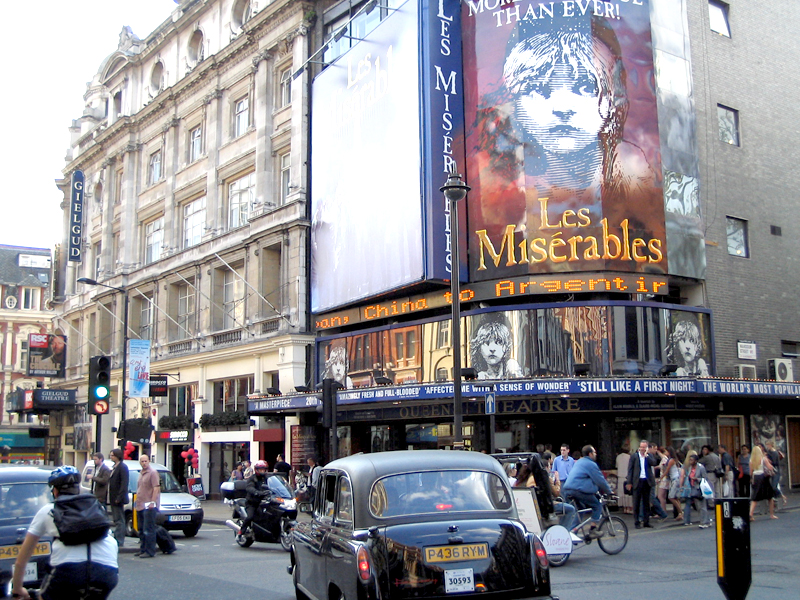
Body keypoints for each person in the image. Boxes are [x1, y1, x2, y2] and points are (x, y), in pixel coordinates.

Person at [11, 466, 118, 599]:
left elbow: (22, 560)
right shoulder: (96, 507)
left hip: (68, 572)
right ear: (78, 489)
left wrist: (17, 590)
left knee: (42, 596)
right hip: (107, 572)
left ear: (55, 491)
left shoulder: (49, 510)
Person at [562, 445, 613, 538]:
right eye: (594, 452)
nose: (595, 454)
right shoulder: (591, 464)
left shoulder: (579, 462)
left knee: (580, 510)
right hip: (577, 490)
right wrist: (609, 492)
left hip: (568, 489)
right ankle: (593, 530)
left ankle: (571, 533)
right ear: (590, 454)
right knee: (597, 505)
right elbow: (600, 480)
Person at [625, 440, 657, 529]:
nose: (642, 449)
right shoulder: (634, 456)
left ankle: (646, 522)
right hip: (637, 482)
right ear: (639, 447)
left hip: (647, 481)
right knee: (636, 503)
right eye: (641, 447)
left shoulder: (649, 456)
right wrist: (629, 482)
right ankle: (637, 522)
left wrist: (647, 456)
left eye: (644, 447)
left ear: (647, 448)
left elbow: (653, 463)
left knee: (647, 503)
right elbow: (630, 469)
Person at [135, 454, 160, 558]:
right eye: (142, 461)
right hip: (140, 504)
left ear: (149, 461)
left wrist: (152, 502)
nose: (144, 463)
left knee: (148, 529)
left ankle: (150, 551)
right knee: (141, 529)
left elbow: (156, 488)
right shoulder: (141, 473)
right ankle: (143, 549)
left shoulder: (153, 473)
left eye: (145, 461)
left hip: (149, 505)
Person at [679, 452, 711, 528]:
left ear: (696, 461)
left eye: (692, 460)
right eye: (689, 460)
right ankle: (706, 520)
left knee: (703, 506)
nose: (690, 461)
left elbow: (705, 478)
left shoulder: (701, 467)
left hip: (700, 488)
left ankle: (704, 522)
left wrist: (697, 479)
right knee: (699, 507)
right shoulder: (690, 468)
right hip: (693, 488)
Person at [240, 460, 272, 535]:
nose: (262, 471)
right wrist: (256, 492)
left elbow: (275, 485)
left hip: (265, 501)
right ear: (256, 470)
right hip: (253, 502)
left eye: (263, 469)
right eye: (260, 469)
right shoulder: (252, 478)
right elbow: (249, 487)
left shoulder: (268, 478)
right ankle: (241, 531)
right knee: (250, 517)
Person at [749, 444, 777, 521]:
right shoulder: (763, 458)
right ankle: (772, 514)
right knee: (770, 496)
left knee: (755, 497)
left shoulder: (751, 460)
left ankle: (750, 514)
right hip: (763, 477)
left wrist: (751, 479)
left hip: (755, 477)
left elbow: (750, 472)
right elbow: (770, 467)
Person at [108, 448, 129, 547]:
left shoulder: (122, 467)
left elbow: (124, 484)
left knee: (120, 520)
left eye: (112, 455)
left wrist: (119, 497)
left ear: (117, 456)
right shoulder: (114, 467)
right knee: (116, 519)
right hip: (113, 497)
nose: (110, 457)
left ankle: (120, 539)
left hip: (118, 498)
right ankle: (116, 537)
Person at [663, 446, 684, 520]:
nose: (665, 453)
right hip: (674, 479)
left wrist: (661, 478)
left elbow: (667, 470)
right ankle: (680, 513)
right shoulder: (672, 459)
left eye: (665, 451)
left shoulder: (671, 460)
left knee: (671, 497)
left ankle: (681, 512)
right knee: (675, 498)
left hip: (675, 480)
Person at [765, 441, 786, 507]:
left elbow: (774, 462)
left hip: (776, 471)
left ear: (771, 445)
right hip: (770, 471)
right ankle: (775, 500)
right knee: (771, 486)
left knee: (774, 486)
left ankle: (782, 497)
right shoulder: (769, 452)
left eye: (768, 444)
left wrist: (767, 460)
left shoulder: (774, 453)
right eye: (766, 445)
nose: (767, 446)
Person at [615, 444, 633, 514]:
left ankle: (624, 508)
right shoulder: (629, 457)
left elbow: (617, 466)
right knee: (628, 493)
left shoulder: (618, 457)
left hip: (620, 476)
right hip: (627, 476)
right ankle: (629, 508)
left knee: (621, 493)